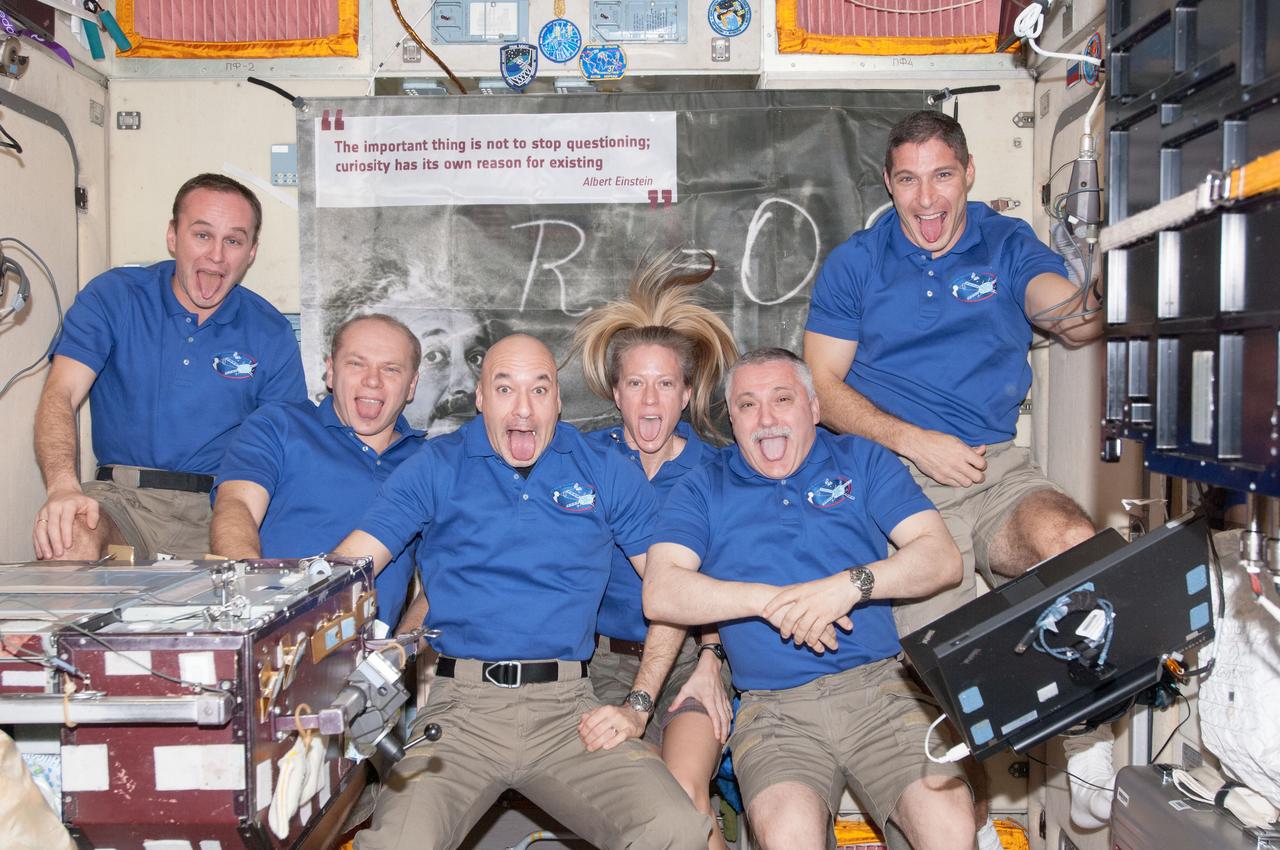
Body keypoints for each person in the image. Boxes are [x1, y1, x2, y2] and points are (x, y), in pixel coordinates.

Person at [333, 333, 710, 850]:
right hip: (460, 713)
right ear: (480, 398)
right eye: (505, 389)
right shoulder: (437, 465)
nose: (524, 409)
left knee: (675, 827)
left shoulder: (603, 471)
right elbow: (350, 567)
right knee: (398, 843)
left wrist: (638, 703)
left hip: (569, 712)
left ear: (559, 400)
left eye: (540, 390)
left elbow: (670, 592)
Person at [644, 348, 975, 850]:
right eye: (747, 405)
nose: (766, 418)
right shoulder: (702, 487)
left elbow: (942, 558)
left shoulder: (861, 458)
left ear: (814, 408)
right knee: (788, 838)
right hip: (774, 714)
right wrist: (772, 601)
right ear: (731, 418)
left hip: (883, 693)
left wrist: (847, 586)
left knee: (951, 828)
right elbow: (661, 591)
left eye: (782, 399)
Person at [803, 109, 1101, 637]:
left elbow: (1073, 323)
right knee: (950, 657)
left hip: (991, 469)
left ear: (968, 173)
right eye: (908, 180)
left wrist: (1099, 277)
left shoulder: (1006, 242)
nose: (925, 199)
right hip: (894, 477)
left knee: (1073, 542)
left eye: (942, 175)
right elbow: (819, 390)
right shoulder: (856, 263)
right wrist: (914, 442)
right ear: (889, 186)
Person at [31, 173, 306, 562]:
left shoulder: (271, 333)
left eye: (233, 240)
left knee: (253, 589)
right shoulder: (114, 296)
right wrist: (62, 487)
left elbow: (284, 447)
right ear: (173, 236)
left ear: (251, 252)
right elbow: (60, 392)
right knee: (68, 534)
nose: (216, 255)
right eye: (202, 235)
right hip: (122, 504)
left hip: (222, 508)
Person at [570, 249, 738, 850]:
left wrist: (715, 661)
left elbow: (731, 575)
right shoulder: (583, 462)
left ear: (687, 395)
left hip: (692, 662)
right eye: (635, 383)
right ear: (615, 393)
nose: (649, 400)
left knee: (685, 792)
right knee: (643, 811)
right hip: (599, 669)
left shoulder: (716, 470)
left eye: (665, 383)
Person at [210, 314, 426, 630]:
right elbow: (236, 506)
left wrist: (398, 653)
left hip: (366, 660)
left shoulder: (429, 462)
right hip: (269, 636)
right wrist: (256, 607)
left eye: (391, 369)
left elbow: (450, 576)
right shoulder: (278, 425)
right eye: (357, 364)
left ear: (412, 385)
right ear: (330, 370)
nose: (372, 380)